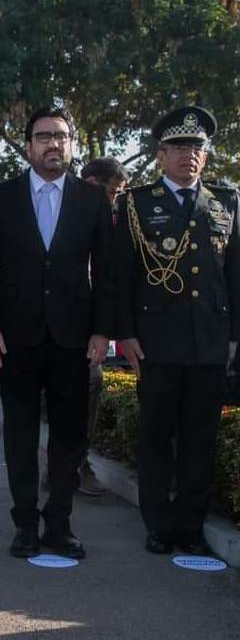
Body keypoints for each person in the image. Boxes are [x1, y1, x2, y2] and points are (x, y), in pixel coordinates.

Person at [0, 107, 113, 560]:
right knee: (18, 435)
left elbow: (108, 273)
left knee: (69, 437)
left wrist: (102, 332)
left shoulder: (93, 200)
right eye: (43, 137)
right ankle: (25, 524)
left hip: (74, 339)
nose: (53, 144)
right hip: (15, 338)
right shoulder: (0, 198)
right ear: (28, 144)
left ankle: (59, 522)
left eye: (61, 136)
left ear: (71, 143)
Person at [115, 106, 240, 556]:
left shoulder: (227, 202)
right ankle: (159, 524)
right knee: (156, 437)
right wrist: (124, 333)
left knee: (200, 439)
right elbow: (121, 276)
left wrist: (234, 338)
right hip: (157, 342)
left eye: (198, 148)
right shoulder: (137, 203)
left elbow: (236, 275)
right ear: (160, 155)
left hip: (209, 342)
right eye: (181, 147)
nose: (190, 155)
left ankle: (190, 526)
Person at [77, 157, 129, 496]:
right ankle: (66, 466)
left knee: (90, 387)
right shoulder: (64, 211)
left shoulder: (116, 220)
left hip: (92, 329)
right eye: (111, 192)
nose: (114, 200)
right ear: (93, 183)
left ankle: (75, 465)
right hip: (57, 323)